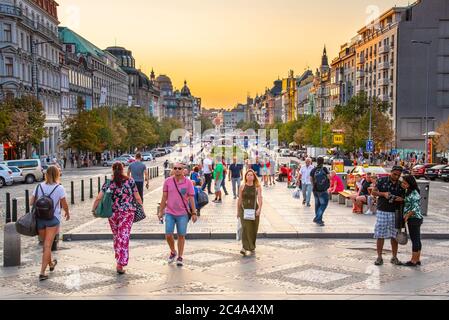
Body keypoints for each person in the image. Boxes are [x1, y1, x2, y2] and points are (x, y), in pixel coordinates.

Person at [92, 162, 142, 274]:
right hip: (127, 212)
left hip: (112, 213)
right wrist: (141, 207)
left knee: (116, 235)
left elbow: (99, 198)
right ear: (123, 169)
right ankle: (120, 262)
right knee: (123, 235)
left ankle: (118, 259)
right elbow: (137, 196)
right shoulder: (130, 181)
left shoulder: (109, 183)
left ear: (112, 169)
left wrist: (94, 209)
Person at [30, 166, 70, 281]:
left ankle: (51, 264)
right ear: (57, 174)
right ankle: (42, 273)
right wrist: (67, 212)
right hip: (53, 219)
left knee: (45, 245)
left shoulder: (38, 186)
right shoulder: (59, 188)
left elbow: (31, 202)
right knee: (47, 246)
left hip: (40, 220)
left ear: (46, 174)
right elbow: (64, 203)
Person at [158, 162, 198, 267]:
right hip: (170, 212)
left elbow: (192, 198)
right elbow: (164, 197)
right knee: (168, 234)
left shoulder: (188, 182)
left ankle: (180, 256)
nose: (177, 170)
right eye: (175, 168)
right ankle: (173, 251)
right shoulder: (168, 181)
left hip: (183, 214)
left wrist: (194, 212)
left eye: (179, 168)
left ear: (183, 170)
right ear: (172, 169)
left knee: (181, 235)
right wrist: (160, 211)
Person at [371, 166, 406, 266]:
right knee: (380, 234)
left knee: (395, 236)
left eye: (399, 175)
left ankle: (394, 257)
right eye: (395, 174)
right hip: (382, 211)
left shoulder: (400, 184)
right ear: (391, 172)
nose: (396, 176)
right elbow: (373, 192)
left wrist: (400, 199)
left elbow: (405, 197)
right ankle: (379, 257)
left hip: (395, 212)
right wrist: (383, 194)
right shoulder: (382, 180)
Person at [237, 169, 263, 256]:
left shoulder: (257, 186)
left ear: (254, 177)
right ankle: (244, 248)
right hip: (243, 210)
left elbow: (260, 198)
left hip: (254, 209)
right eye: (248, 175)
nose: (249, 176)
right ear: (245, 176)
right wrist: (238, 211)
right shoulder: (242, 186)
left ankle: (252, 246)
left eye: (251, 175)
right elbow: (239, 199)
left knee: (253, 229)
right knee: (245, 228)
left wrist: (259, 210)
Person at [401, 175, 424, 267]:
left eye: (405, 183)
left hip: (414, 218)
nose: (403, 184)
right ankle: (417, 259)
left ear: (410, 183)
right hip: (415, 218)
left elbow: (414, 208)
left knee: (415, 239)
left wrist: (407, 216)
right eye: (402, 182)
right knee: (417, 239)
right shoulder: (410, 191)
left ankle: (413, 260)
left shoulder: (414, 193)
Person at [310, 157, 330, 227]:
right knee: (323, 204)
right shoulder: (324, 169)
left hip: (315, 190)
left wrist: (314, 186)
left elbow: (311, 179)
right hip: (323, 190)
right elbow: (329, 177)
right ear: (323, 162)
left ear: (317, 162)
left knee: (317, 205)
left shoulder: (313, 170)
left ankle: (319, 220)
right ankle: (317, 218)